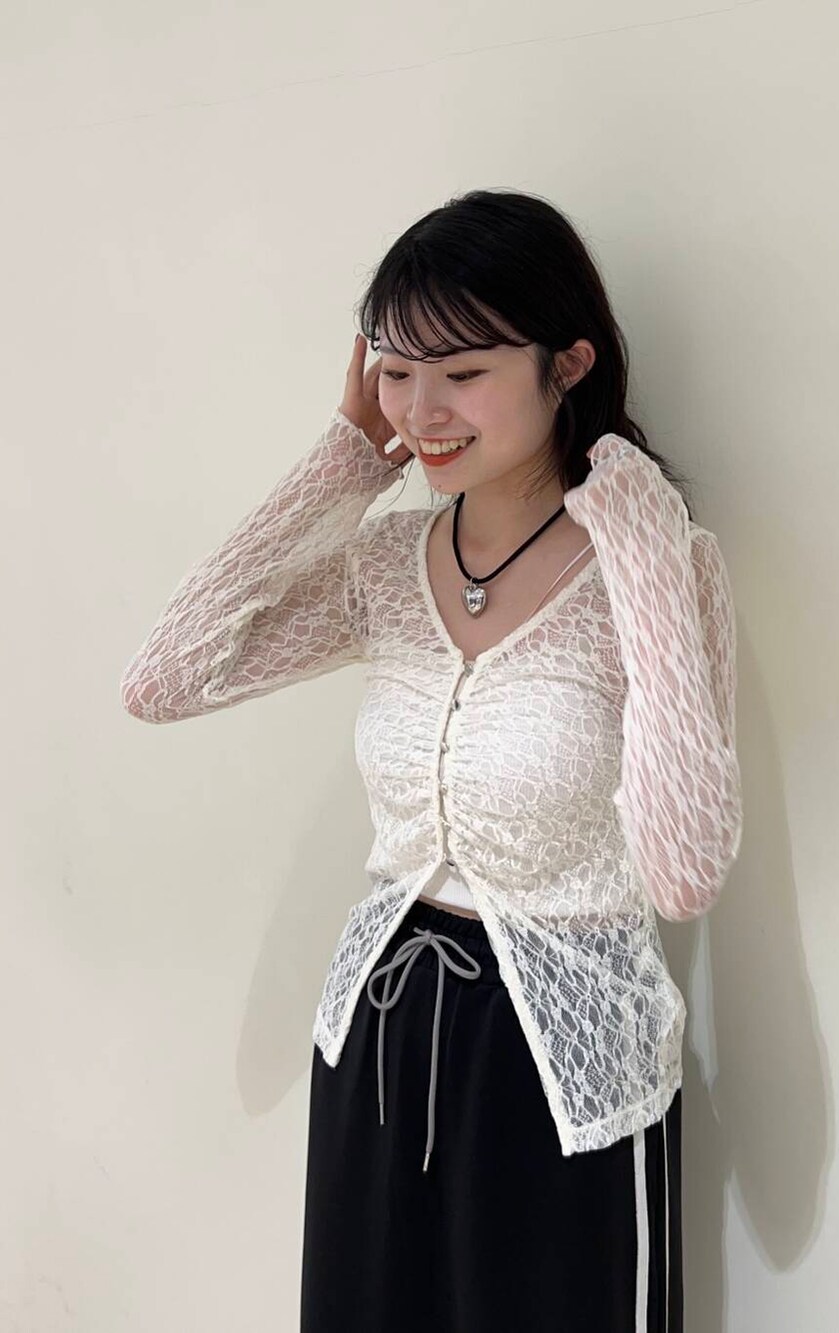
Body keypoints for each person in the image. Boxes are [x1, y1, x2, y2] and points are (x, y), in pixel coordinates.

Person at [120, 188, 743, 1332]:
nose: (423, 409)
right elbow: (163, 679)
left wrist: (647, 555)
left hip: (567, 1072)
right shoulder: (386, 565)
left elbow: (682, 871)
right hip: (378, 1032)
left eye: (461, 371)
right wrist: (342, 465)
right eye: (397, 370)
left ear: (566, 365)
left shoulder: (656, 571)